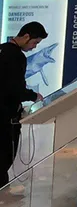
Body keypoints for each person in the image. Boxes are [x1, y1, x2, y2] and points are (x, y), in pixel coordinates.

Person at [0, 22, 46, 187]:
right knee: (4, 159)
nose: (34, 47)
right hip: (5, 117)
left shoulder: (2, 49)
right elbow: (14, 88)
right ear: (26, 36)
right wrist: (33, 95)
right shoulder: (16, 56)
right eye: (35, 43)